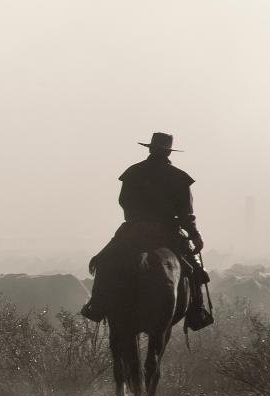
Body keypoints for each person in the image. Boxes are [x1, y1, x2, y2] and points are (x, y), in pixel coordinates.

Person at [79, 132, 213, 330]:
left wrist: (136, 216)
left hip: (134, 228)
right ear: (168, 152)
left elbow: (124, 201)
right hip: (167, 230)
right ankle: (197, 311)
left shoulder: (133, 172)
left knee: (104, 260)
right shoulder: (179, 177)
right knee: (195, 270)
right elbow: (186, 213)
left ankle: (96, 305)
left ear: (150, 149)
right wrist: (195, 235)